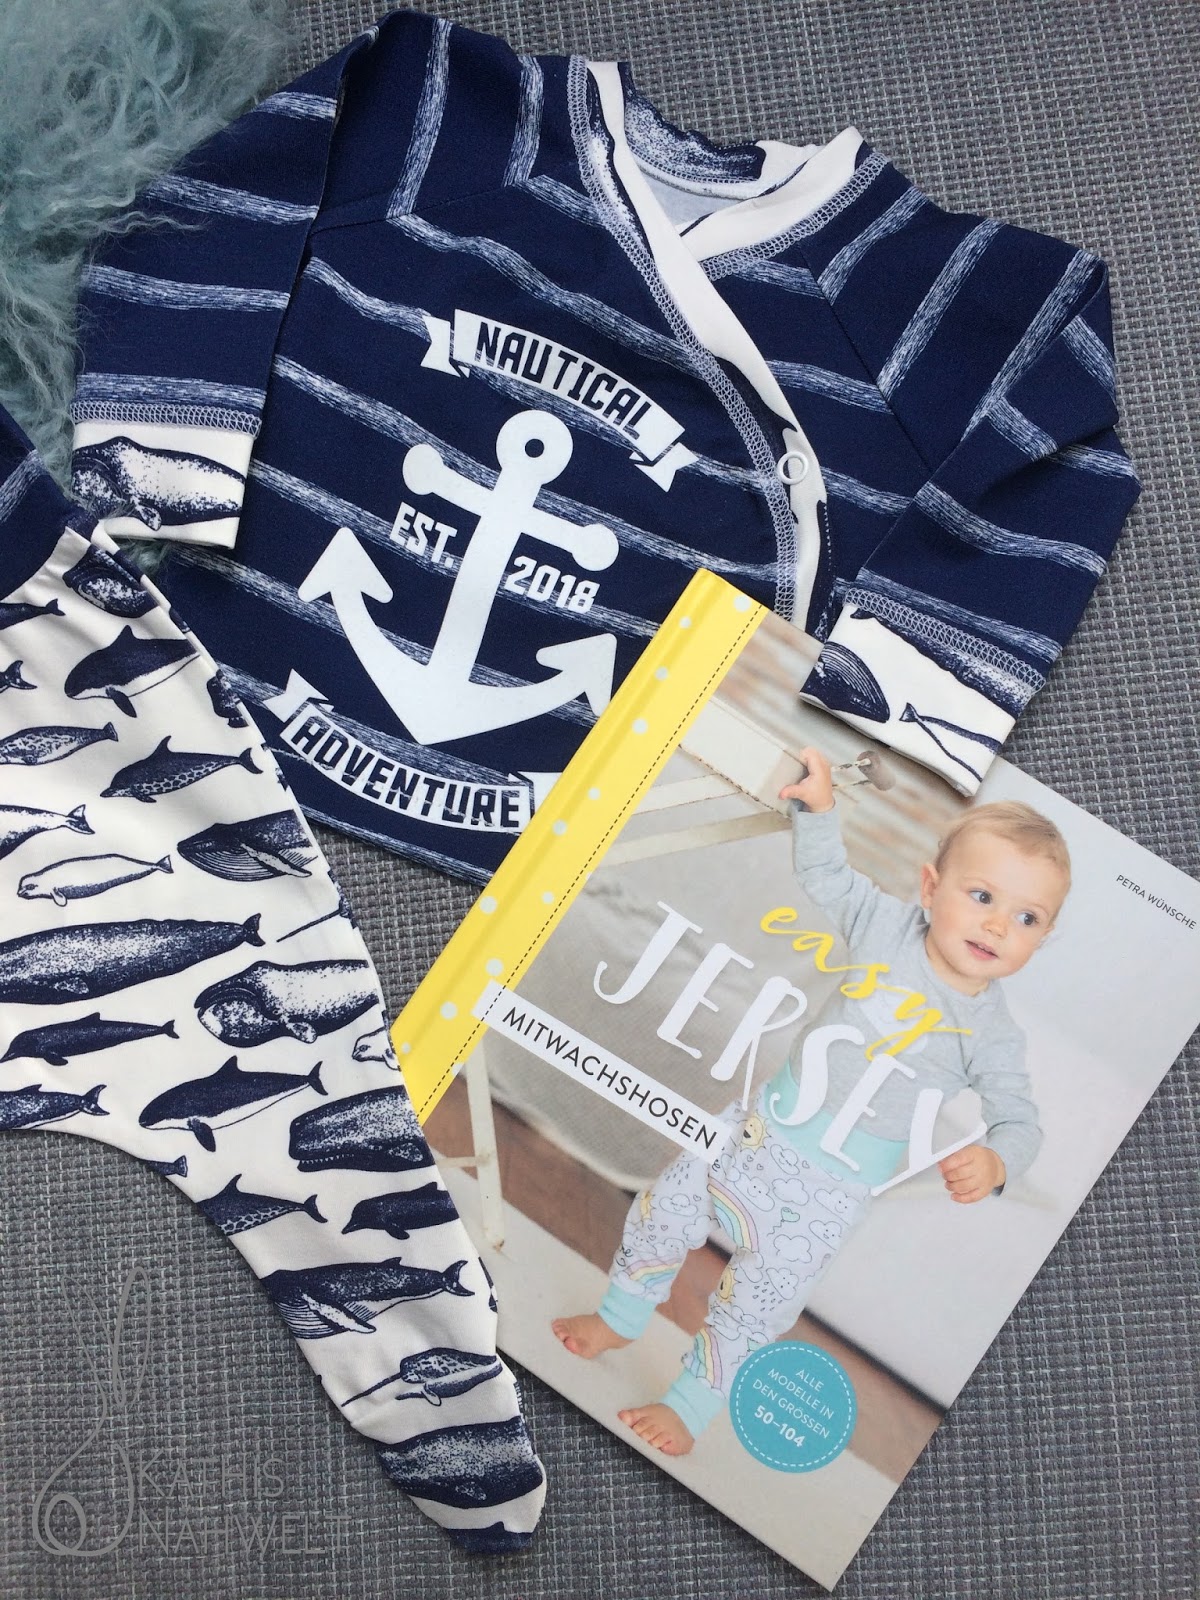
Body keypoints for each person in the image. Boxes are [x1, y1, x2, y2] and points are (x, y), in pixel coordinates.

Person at [553, 746, 1071, 1455]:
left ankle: (689, 1406)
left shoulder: (993, 1034)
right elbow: (828, 875)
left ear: (1044, 938)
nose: (998, 926)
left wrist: (997, 1161)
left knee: (754, 1306)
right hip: (760, 1131)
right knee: (664, 1207)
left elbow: (1019, 1120)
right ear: (931, 888)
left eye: (1028, 918)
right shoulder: (886, 927)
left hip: (828, 1196)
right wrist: (821, 810)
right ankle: (619, 1316)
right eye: (982, 897)